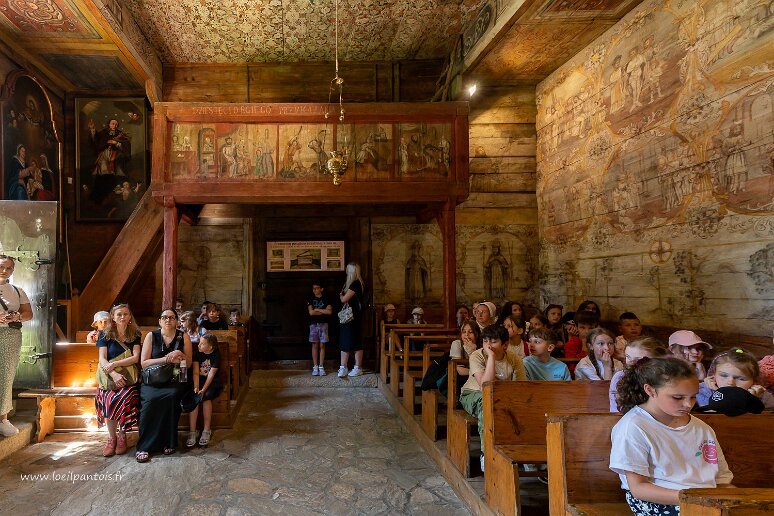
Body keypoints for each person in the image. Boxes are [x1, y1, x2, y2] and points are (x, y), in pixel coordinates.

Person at [610, 357, 734, 515]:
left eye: (693, 396)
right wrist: (694, 498)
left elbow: (722, 482)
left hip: (704, 499)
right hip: (659, 501)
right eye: (678, 397)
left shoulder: (702, 429)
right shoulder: (633, 426)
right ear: (650, 390)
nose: (689, 404)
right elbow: (638, 488)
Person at [459, 325, 526, 473]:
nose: (488, 345)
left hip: (502, 396)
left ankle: (520, 453)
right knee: (487, 404)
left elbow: (520, 387)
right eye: (485, 341)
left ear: (505, 345)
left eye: (493, 341)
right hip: (474, 394)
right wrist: (491, 358)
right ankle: (486, 453)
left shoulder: (514, 359)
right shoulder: (477, 355)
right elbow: (485, 387)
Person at [136, 308, 192, 463]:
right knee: (150, 402)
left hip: (175, 380)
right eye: (165, 317)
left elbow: (187, 364)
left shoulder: (183, 336)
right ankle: (144, 445)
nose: (168, 320)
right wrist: (166, 359)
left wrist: (180, 355)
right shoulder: (151, 336)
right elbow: (144, 363)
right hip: (152, 381)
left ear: (176, 321)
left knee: (172, 397)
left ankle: (168, 441)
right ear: (159, 321)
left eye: (172, 317)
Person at [95, 304, 142, 456]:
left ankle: (122, 435)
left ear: (130, 317)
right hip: (109, 377)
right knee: (109, 398)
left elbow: (135, 358)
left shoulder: (135, 334)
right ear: (113, 318)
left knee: (124, 397)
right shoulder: (105, 334)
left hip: (128, 378)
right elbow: (102, 359)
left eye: (126, 314)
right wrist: (114, 373)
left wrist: (115, 364)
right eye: (119, 314)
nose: (123, 317)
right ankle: (112, 438)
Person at [0, 256, 33, 437]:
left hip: (10, 335)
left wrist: (15, 317)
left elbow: (28, 313)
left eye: (9, 268)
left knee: (5, 375)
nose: (4, 270)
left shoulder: (17, 291)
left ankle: (3, 419)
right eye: (1, 267)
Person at [696, 348, 774, 409]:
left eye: (741, 378)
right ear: (713, 375)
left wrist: (751, 400)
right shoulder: (701, 391)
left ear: (754, 382)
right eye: (723, 376)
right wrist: (719, 393)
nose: (730, 382)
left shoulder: (764, 397)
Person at [610, 337, 670, 412]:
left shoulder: (665, 378)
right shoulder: (620, 377)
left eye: (638, 359)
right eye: (628, 357)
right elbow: (616, 410)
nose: (630, 363)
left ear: (657, 360)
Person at [186, 333, 224, 447]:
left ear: (210, 347)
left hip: (212, 382)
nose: (199, 345)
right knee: (195, 396)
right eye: (199, 342)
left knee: (206, 397)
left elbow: (211, 375)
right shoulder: (197, 354)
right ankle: (192, 431)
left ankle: (206, 430)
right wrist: (197, 388)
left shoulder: (216, 355)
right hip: (199, 380)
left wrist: (203, 390)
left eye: (202, 344)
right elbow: (196, 372)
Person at [338, 262, 365, 378]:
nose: (345, 270)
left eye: (347, 269)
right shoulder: (354, 284)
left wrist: (340, 296)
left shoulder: (355, 284)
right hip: (349, 318)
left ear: (351, 271)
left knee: (355, 342)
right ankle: (343, 367)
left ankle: (358, 367)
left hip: (352, 318)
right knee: (345, 341)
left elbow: (344, 299)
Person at [307, 283, 333, 376]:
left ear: (321, 289)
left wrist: (317, 309)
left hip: (324, 324)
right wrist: (323, 311)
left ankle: (321, 366)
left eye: (316, 288)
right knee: (315, 345)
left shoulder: (326, 299)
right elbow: (311, 313)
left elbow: (329, 312)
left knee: (322, 345)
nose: (314, 290)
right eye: (313, 288)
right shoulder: (310, 299)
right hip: (313, 324)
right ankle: (315, 366)